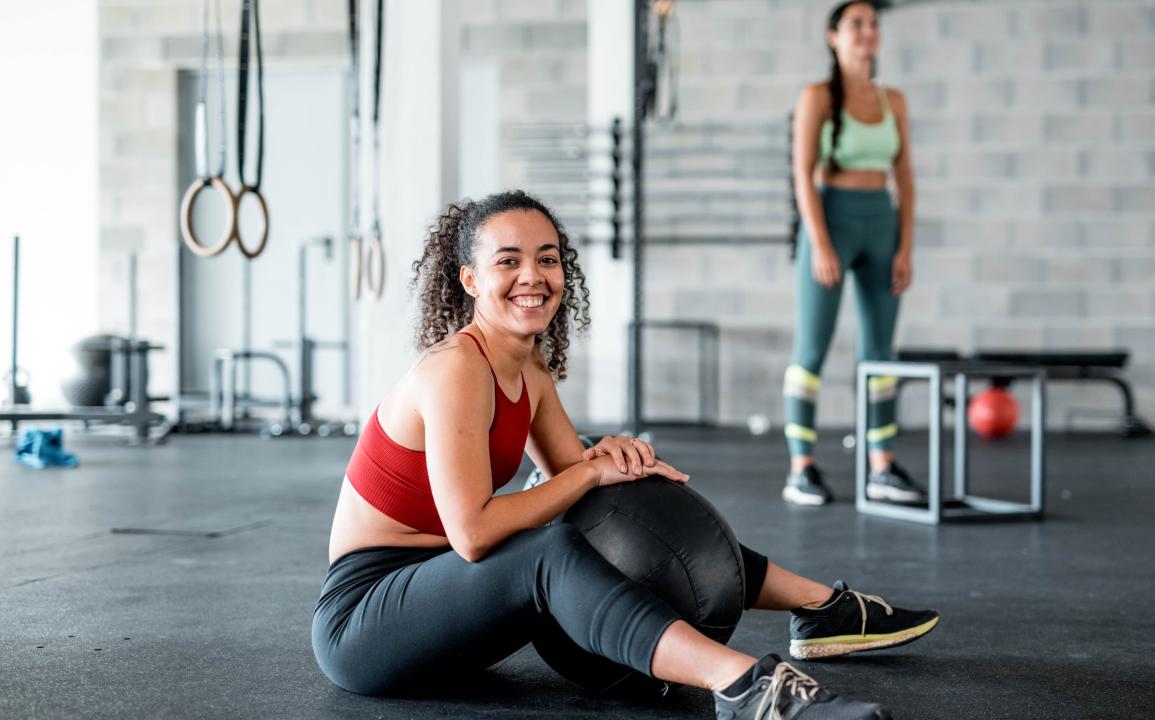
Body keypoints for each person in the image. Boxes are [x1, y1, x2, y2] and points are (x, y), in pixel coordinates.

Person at [310, 191, 940, 719]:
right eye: (509, 261)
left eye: (548, 259)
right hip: (366, 621)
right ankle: (750, 690)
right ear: (471, 280)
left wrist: (616, 465)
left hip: (441, 598)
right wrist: (588, 470)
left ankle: (818, 608)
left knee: (608, 493)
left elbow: (579, 479)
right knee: (551, 543)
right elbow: (473, 535)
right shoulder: (455, 369)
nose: (533, 276)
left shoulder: (526, 367)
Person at [784, 0, 919, 506]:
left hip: (881, 222)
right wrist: (820, 242)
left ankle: (880, 468)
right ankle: (802, 468)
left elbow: (904, 176)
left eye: (872, 24)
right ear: (833, 37)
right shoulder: (817, 96)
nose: (867, 31)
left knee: (881, 352)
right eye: (855, 24)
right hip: (832, 221)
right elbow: (802, 173)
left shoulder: (895, 100)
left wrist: (905, 244)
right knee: (812, 349)